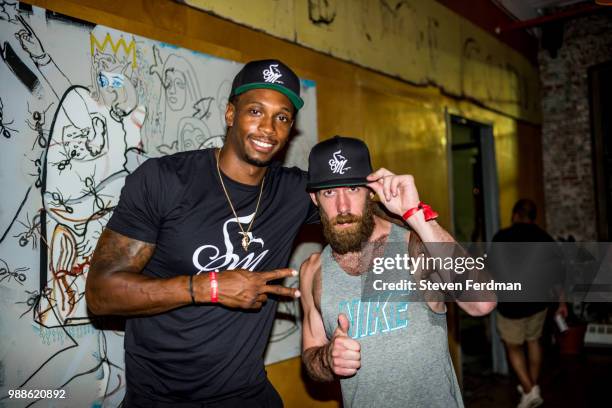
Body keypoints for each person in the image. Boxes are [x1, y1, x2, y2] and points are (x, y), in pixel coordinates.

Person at [85, 59, 319, 407]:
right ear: (230, 114)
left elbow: (358, 207)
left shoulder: (294, 193)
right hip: (160, 399)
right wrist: (209, 287)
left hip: (247, 396)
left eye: (282, 117)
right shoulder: (164, 180)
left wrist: (405, 207)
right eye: (255, 110)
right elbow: (101, 294)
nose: (268, 128)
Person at [299, 136, 497, 408]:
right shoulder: (313, 270)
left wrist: (415, 215)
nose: (343, 207)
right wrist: (328, 358)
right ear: (315, 198)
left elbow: (482, 302)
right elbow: (311, 357)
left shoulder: (413, 245)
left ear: (371, 191)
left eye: (354, 188)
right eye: (330, 192)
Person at [492, 199, 568, 408]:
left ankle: (528, 389)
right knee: (534, 340)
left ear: (515, 214)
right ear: (532, 217)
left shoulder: (501, 237)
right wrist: (562, 302)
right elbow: (557, 274)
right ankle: (532, 388)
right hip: (538, 302)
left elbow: (490, 270)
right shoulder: (545, 238)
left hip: (510, 304)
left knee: (512, 345)